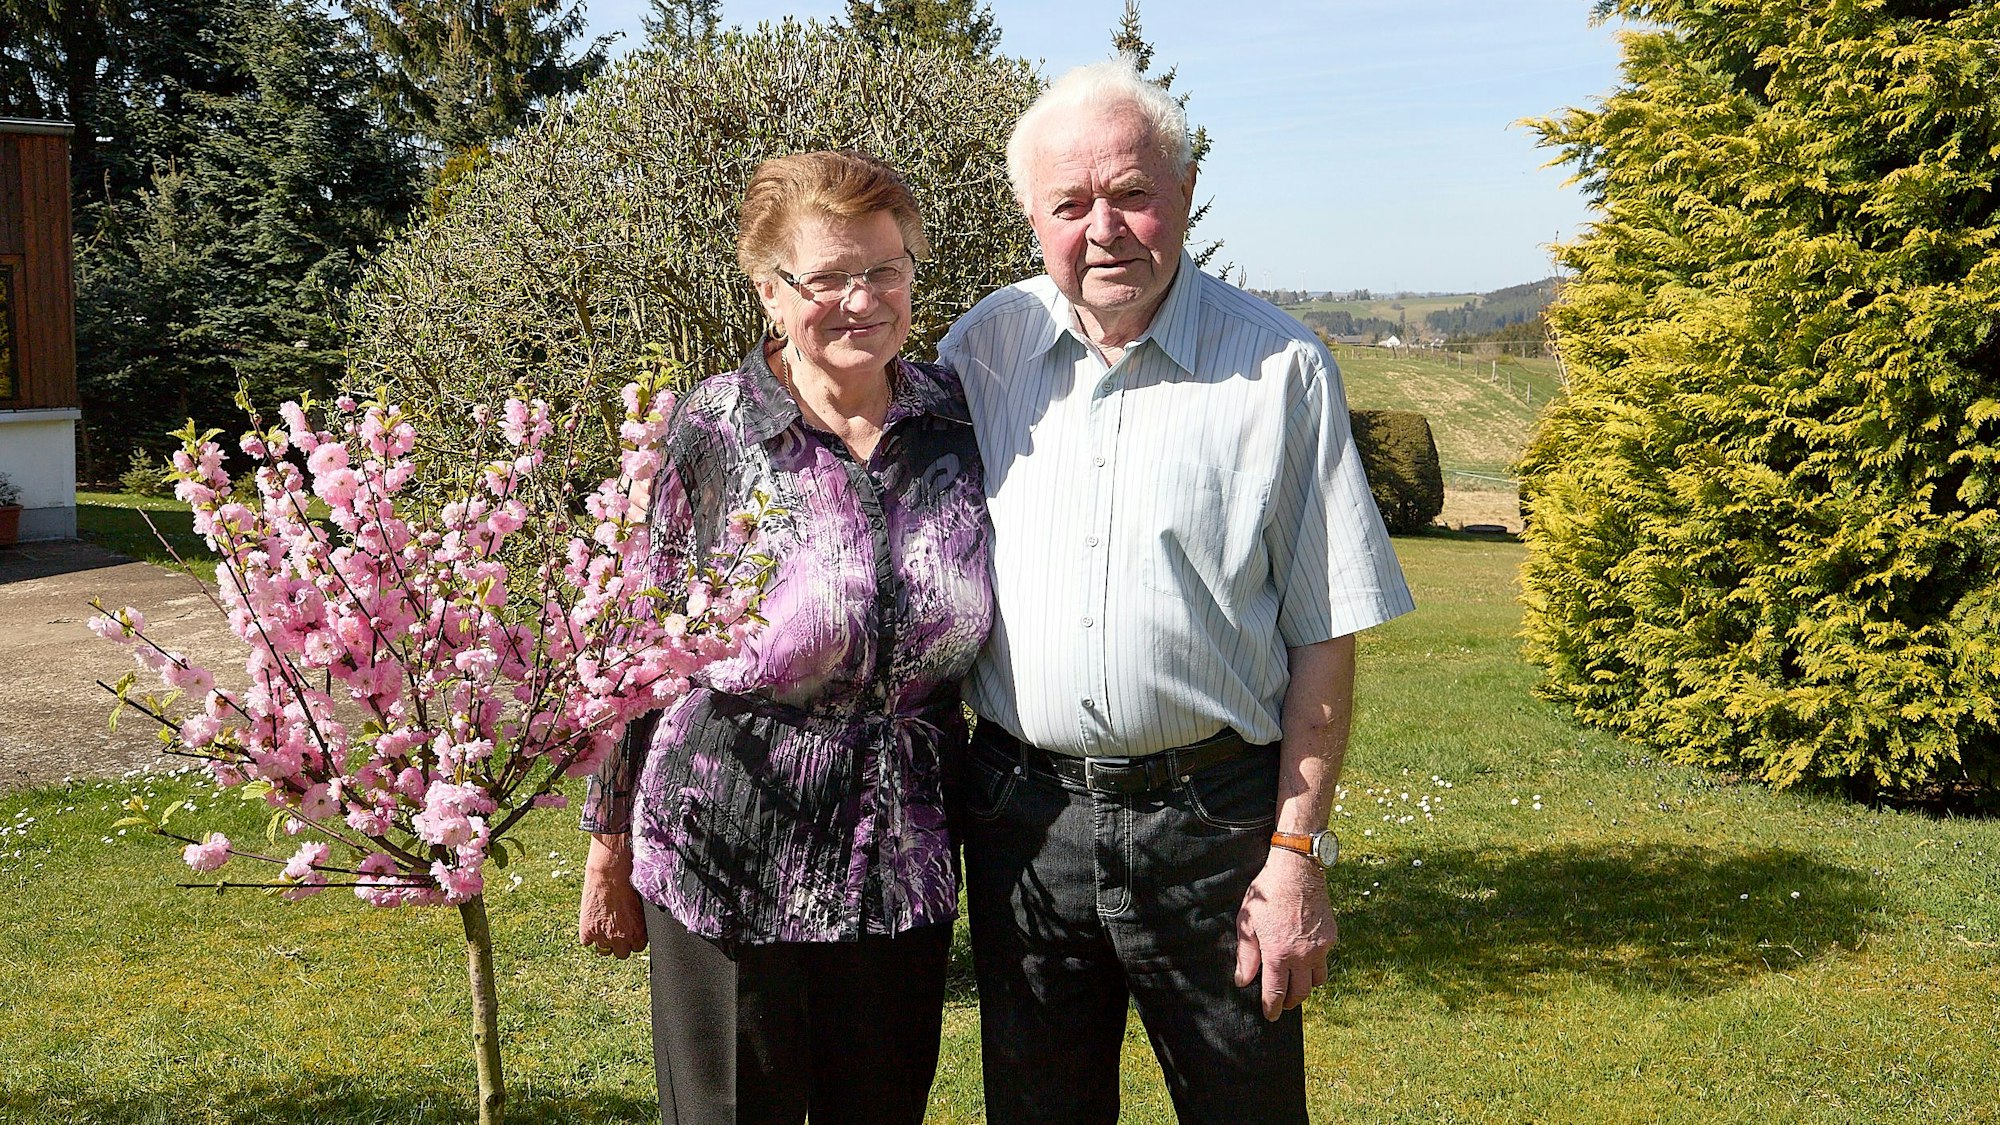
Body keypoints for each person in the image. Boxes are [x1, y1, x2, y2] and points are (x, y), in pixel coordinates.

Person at [938, 58, 1415, 1124]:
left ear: (1184, 195)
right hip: (1023, 816)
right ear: (1030, 217)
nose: (1103, 228)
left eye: (1131, 194)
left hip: (1214, 825)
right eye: (1070, 203)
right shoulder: (981, 352)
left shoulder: (1280, 368)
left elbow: (1324, 636)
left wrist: (1296, 855)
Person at [577, 149, 993, 1125]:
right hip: (729, 855)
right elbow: (639, 652)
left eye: (884, 268)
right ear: (770, 293)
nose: (861, 298)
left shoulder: (954, 425)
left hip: (902, 866)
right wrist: (606, 847)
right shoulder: (712, 433)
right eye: (827, 278)